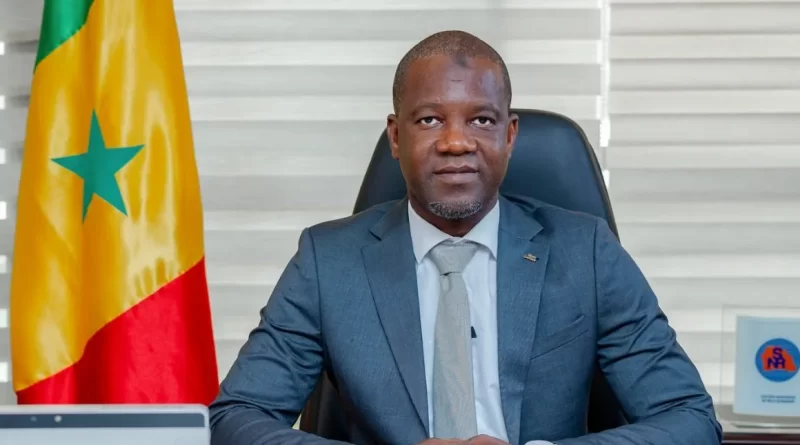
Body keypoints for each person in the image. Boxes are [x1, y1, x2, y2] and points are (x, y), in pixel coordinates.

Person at [208, 30, 722, 445]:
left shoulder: (585, 251)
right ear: (396, 136)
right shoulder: (328, 261)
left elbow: (689, 419)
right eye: (430, 119)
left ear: (509, 135)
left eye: (481, 119)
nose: (456, 142)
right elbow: (236, 418)